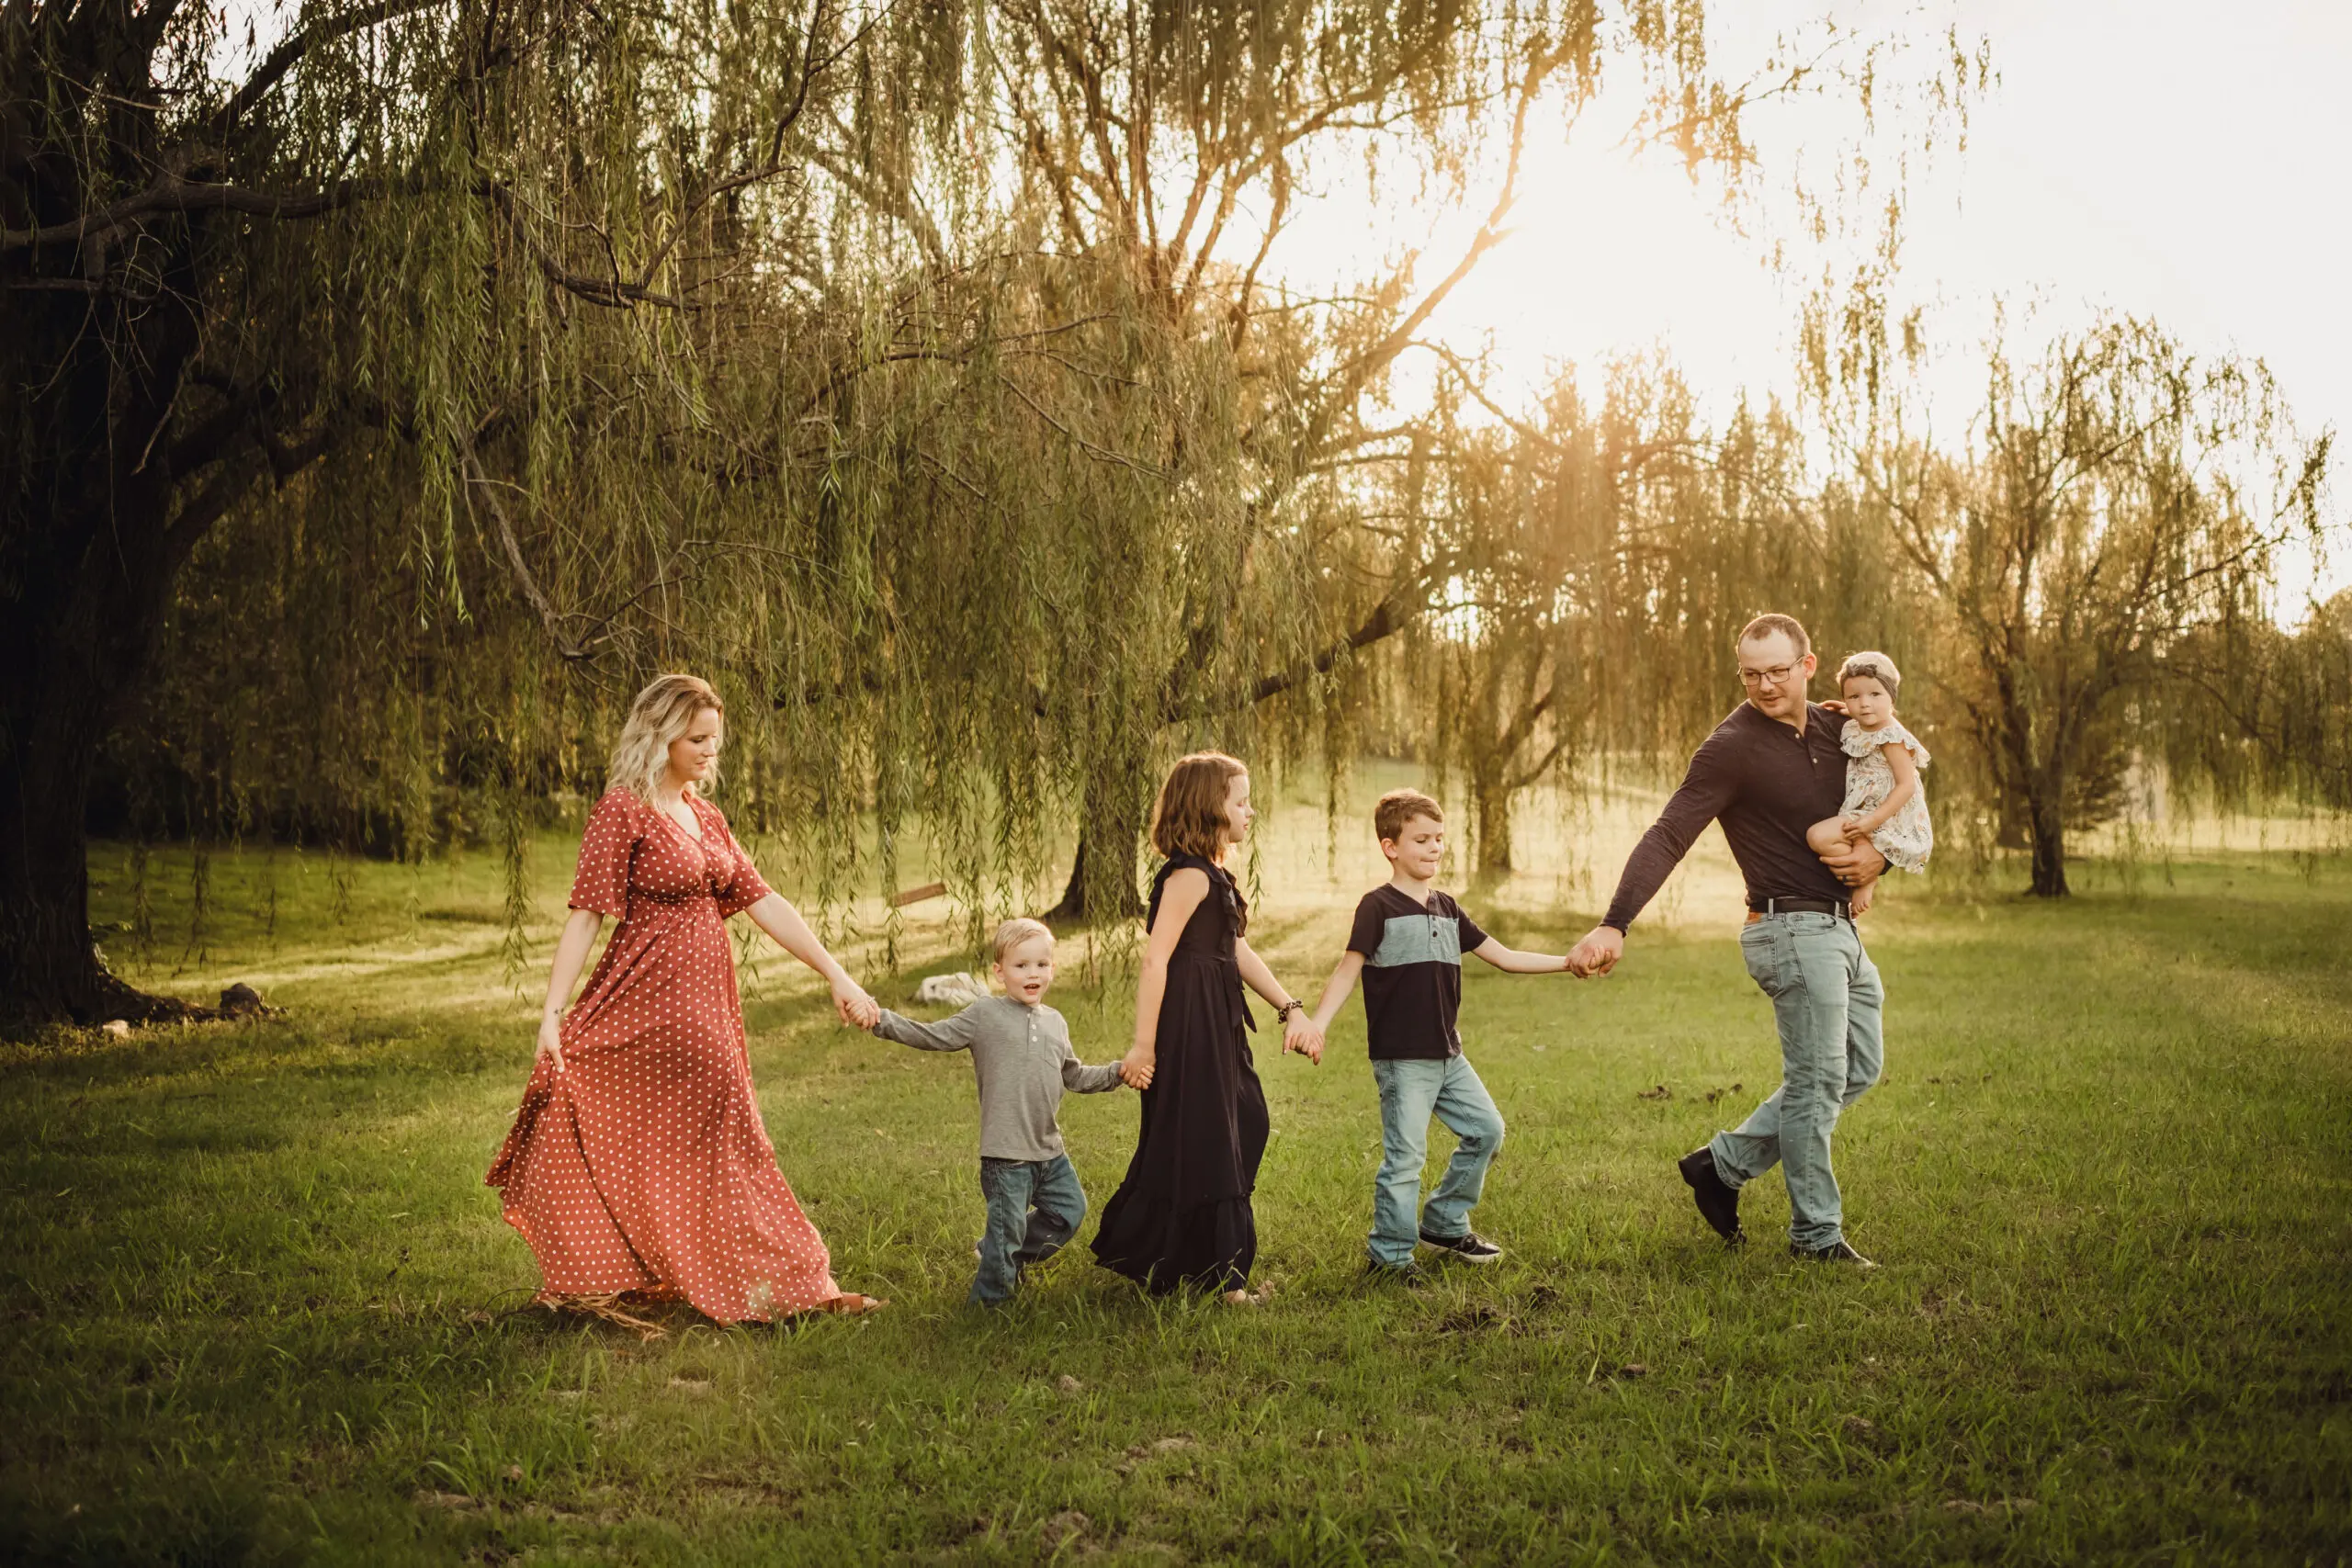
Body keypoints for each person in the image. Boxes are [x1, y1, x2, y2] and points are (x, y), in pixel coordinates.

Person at [486, 674, 889, 1324]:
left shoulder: (704, 814)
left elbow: (765, 901)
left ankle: (789, 1283)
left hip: (707, 1007)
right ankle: (644, 1271)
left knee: (732, 1141)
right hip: (644, 1000)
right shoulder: (624, 809)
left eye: (715, 740)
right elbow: (587, 915)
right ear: (660, 734)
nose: (710, 751)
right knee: (639, 1124)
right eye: (698, 738)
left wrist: (836, 974)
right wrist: (552, 1014)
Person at [1567, 614, 1889, 1268]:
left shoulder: (1840, 728)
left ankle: (1721, 1166)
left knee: (1856, 1067)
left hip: (1840, 928)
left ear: (1808, 664)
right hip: (1788, 928)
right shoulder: (1731, 747)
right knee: (1817, 1080)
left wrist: (1880, 858)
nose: (1765, 685)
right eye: (1751, 673)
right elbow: (1668, 834)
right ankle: (1815, 1236)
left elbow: (1896, 795)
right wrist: (1614, 921)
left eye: (1778, 671)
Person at [1304, 790, 1579, 1283]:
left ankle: (1445, 1221)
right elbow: (1347, 972)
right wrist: (1318, 1025)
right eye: (1422, 840)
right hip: (1403, 1059)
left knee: (1487, 1130)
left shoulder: (1448, 908)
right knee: (1405, 1157)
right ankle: (1388, 1258)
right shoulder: (1377, 907)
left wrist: (1566, 961)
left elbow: (1507, 957)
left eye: (1439, 840)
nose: (1434, 849)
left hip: (1449, 1054)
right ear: (1391, 847)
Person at [1091, 752, 1323, 1303]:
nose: (1251, 811)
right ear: (1207, 807)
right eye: (1240, 802)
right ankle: (1226, 1284)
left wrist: (1291, 1007)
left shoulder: (1214, 873)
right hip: (1188, 1025)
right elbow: (1155, 961)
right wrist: (1144, 1045)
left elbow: (1235, 949)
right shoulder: (1189, 876)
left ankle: (1188, 1265)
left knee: (1243, 1121)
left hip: (1217, 1021)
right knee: (1214, 1138)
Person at [867, 918, 1125, 1304]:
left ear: (1052, 968)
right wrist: (882, 1021)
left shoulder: (1055, 1022)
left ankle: (995, 1252)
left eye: (1041, 964)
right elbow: (933, 1036)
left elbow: (1074, 1075)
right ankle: (990, 1308)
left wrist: (1118, 1072)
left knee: (1069, 1211)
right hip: (1006, 1156)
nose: (1032, 973)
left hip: (1049, 1150)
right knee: (1006, 1236)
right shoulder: (985, 1014)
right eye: (1021, 966)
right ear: (1000, 972)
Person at [1804, 650, 1934, 917]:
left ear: (1891, 697)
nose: (1865, 704)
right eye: (1854, 697)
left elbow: (1906, 786)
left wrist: (1872, 822)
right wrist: (1846, 712)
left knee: (1820, 835)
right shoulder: (1856, 726)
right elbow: (1860, 717)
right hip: (1863, 809)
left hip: (1887, 814)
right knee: (1818, 837)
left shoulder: (1892, 737)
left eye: (1875, 695)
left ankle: (1866, 877)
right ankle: (1857, 864)